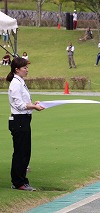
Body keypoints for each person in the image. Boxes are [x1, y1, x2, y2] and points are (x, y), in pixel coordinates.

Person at [6, 57, 45, 191]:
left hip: (24, 120)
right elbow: (19, 105)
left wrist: (33, 104)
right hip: (19, 121)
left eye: (27, 67)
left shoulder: (20, 82)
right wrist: (33, 107)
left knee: (24, 152)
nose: (27, 70)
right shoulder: (16, 84)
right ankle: (19, 182)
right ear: (17, 70)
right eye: (24, 68)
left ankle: (20, 180)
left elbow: (24, 102)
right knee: (21, 153)